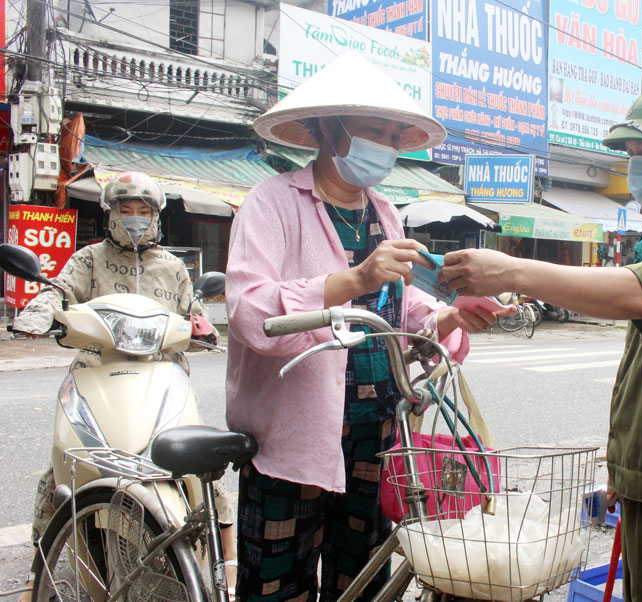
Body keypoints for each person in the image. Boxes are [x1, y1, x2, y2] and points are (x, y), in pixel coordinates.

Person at [439, 85, 642, 601]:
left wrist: (512, 269)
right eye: (631, 156)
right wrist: (626, 467)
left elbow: (634, 293)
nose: (634, 169)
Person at [225, 52, 502, 602]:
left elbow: (396, 308)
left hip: (377, 435)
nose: (388, 146)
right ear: (329, 130)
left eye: (396, 136)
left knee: (367, 583)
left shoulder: (385, 211)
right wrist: (352, 280)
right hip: (294, 436)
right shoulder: (270, 203)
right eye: (375, 131)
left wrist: (450, 316)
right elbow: (250, 312)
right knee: (279, 586)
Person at [10, 170, 238, 601]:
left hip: (162, 370)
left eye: (143, 211)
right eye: (125, 210)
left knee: (202, 467)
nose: (134, 218)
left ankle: (229, 563)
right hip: (97, 368)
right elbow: (59, 291)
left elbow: (191, 310)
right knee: (58, 471)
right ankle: (37, 573)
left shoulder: (173, 268)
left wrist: (202, 325)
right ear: (111, 214)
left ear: (156, 217)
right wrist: (39, 310)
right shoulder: (88, 259)